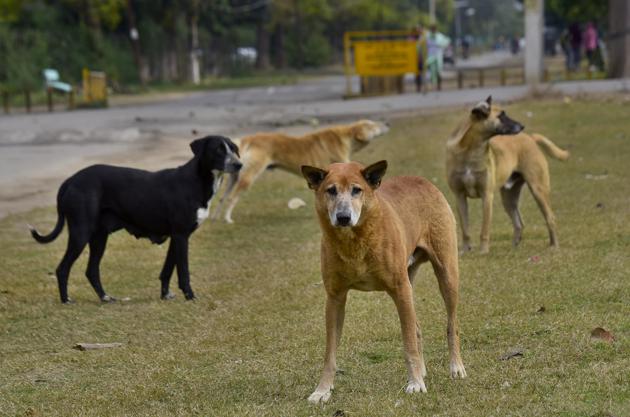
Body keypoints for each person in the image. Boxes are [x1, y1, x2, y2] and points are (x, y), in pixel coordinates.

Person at [425, 24, 450, 91]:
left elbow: (446, 42)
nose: (433, 30)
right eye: (432, 29)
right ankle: (434, 85)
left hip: (438, 55)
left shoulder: (439, 36)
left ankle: (439, 85)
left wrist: (441, 45)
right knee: (432, 71)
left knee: (438, 71)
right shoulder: (427, 36)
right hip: (431, 56)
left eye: (434, 29)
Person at [412, 24, 428, 93]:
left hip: (422, 58)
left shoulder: (423, 37)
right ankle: (418, 87)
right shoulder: (412, 38)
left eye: (419, 29)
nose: (418, 31)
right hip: (415, 58)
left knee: (423, 73)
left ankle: (424, 87)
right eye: (416, 30)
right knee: (417, 73)